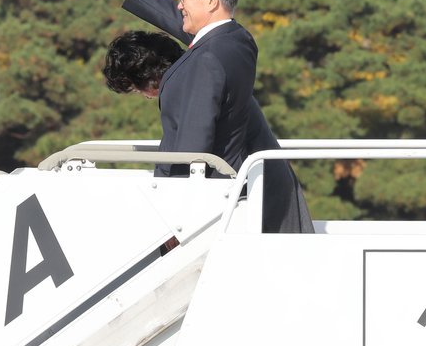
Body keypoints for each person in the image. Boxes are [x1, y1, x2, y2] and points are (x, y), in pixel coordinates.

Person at [104, 31, 313, 234]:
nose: (146, 97)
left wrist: (171, 223)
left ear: (149, 78)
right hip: (268, 193)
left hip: (257, 206)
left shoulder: (193, 81)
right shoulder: (198, 72)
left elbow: (189, 152)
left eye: (138, 90)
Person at [104, 0, 255, 179]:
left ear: (211, 0)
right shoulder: (236, 39)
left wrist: (174, 192)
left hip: (194, 191)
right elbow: (179, 21)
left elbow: (193, 146)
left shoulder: (207, 59)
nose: (179, 5)